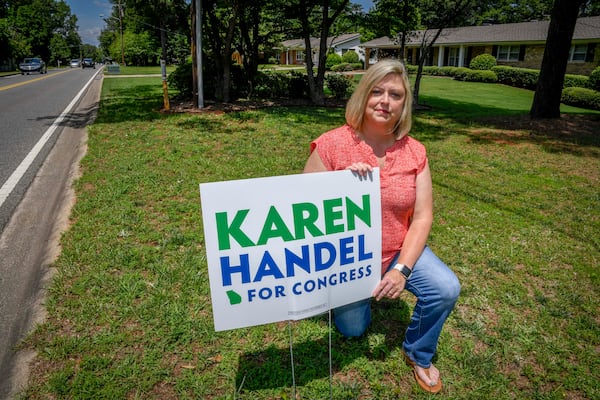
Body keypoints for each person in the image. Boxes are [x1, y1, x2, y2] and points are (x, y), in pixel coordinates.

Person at [303, 59, 460, 394]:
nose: (385, 101)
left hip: (395, 250)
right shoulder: (332, 143)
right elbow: (302, 207)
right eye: (377, 91)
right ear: (363, 95)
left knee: (446, 287)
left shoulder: (415, 151)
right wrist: (340, 184)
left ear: (404, 104)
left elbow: (422, 217)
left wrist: (401, 269)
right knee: (353, 330)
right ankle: (348, 298)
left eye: (395, 94)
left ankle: (418, 352)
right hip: (348, 258)